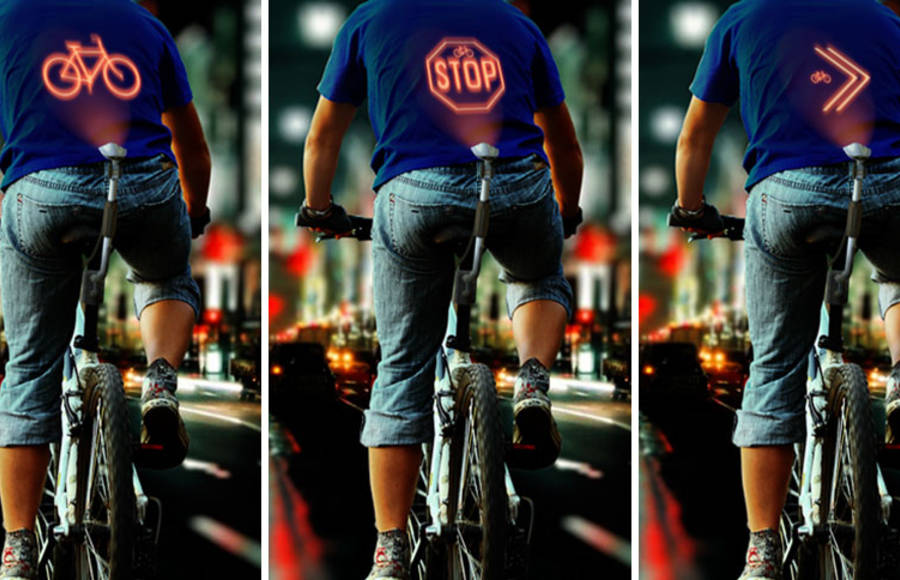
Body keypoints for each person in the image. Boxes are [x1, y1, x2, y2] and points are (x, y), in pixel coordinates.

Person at [296, 0, 583, 577]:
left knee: (402, 368)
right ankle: (531, 380)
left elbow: (323, 136)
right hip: (516, 185)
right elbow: (564, 145)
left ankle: (389, 550)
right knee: (537, 276)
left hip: (414, 194)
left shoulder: (369, 20)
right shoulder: (516, 23)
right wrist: (566, 212)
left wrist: (320, 208)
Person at [670, 0, 900, 577]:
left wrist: (693, 209)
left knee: (775, 368)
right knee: (896, 274)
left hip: (787, 194)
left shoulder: (742, 19)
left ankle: (761, 550)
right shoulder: (883, 18)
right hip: (887, 179)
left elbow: (697, 133)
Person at [0, 0, 211, 577]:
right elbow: (191, 144)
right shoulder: (146, 25)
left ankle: (17, 547)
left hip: (40, 191)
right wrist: (192, 214)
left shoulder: (8, 18)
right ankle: (161, 381)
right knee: (165, 275)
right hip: (142, 185)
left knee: (30, 370)